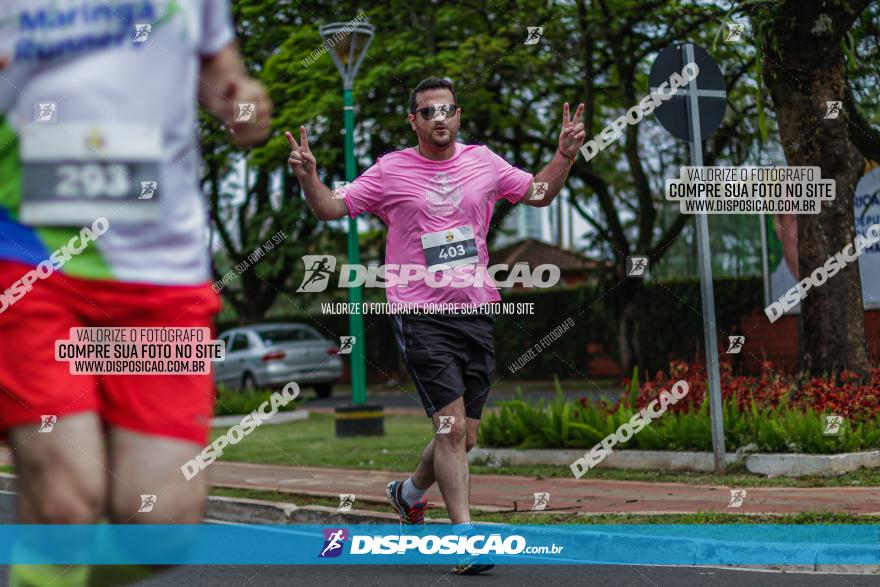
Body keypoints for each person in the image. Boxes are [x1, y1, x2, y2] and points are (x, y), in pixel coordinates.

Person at [0, 1, 271, 585]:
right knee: (64, 504)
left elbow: (223, 71)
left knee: (163, 526)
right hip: (28, 257)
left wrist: (240, 97)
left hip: (160, 276)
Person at [286, 76, 584, 574]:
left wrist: (565, 156)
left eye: (446, 109)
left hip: (476, 309)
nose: (439, 118)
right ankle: (464, 540)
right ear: (414, 121)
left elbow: (538, 193)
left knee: (465, 436)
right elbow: (330, 207)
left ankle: (406, 494)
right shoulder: (390, 171)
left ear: (458, 115)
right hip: (419, 314)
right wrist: (308, 176)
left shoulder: (484, 162)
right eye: (428, 111)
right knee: (447, 429)